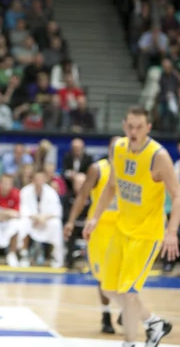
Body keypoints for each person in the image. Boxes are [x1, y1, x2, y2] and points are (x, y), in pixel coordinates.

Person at [83, 106, 180, 347]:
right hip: (121, 228)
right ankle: (153, 323)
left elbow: (178, 195)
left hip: (147, 233)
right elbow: (111, 186)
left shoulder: (157, 156)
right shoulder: (118, 148)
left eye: (139, 127)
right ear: (124, 126)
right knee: (108, 289)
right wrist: (95, 217)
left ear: (148, 128)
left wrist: (172, 232)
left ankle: (129, 342)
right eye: (130, 126)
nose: (134, 131)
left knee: (129, 293)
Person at [64, 136, 120, 334]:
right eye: (116, 146)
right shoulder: (98, 169)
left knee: (125, 273)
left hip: (125, 228)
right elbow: (82, 195)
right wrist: (71, 221)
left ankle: (125, 306)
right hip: (100, 229)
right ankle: (106, 315)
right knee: (103, 277)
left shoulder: (134, 169)